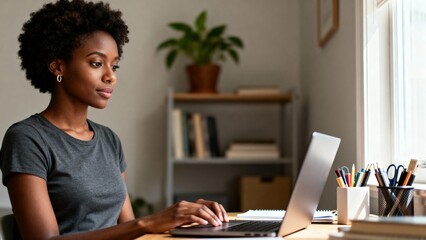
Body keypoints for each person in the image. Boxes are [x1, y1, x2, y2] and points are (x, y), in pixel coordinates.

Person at [0, 0, 228, 239]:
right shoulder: (27, 139)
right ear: (58, 67)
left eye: (115, 66)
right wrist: (148, 222)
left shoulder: (108, 140)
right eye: (97, 64)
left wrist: (186, 220)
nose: (111, 77)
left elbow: (127, 229)